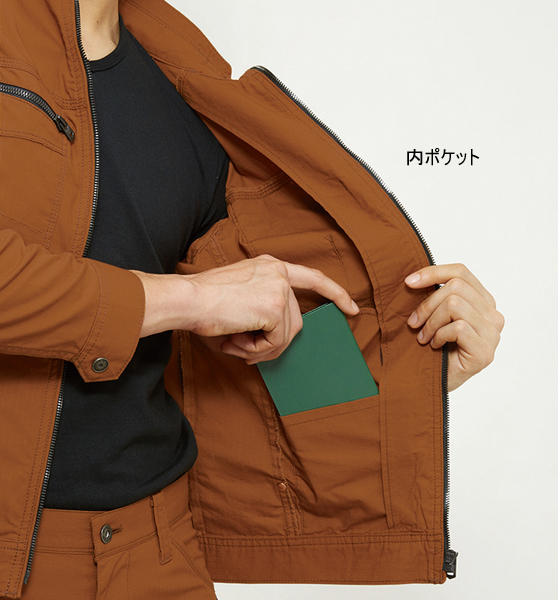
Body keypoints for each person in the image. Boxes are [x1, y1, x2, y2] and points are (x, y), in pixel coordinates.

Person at [0, 0, 504, 598]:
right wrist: (191, 298)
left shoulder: (177, 69)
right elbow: (199, 299)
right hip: (16, 551)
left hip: (162, 548)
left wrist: (411, 374)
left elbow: (239, 333)